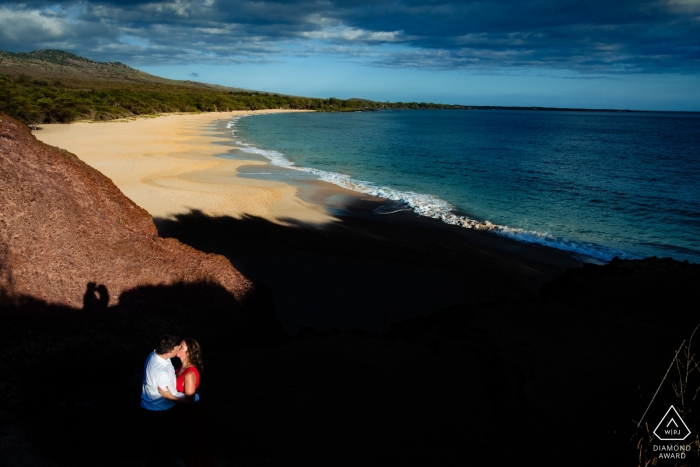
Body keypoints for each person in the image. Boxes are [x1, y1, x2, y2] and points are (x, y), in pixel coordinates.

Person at [158, 338, 214, 467]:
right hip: (181, 412)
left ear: (188, 353)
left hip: (191, 415)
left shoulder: (190, 373)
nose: (177, 348)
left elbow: (189, 400)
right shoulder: (180, 368)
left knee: (192, 445)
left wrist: (169, 396)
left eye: (181, 347)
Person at [140, 334, 184, 466]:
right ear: (168, 352)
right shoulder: (161, 373)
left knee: (155, 443)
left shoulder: (156, 355)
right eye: (177, 348)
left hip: (150, 408)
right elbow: (173, 395)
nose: (179, 349)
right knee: (165, 445)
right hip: (160, 412)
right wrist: (193, 397)